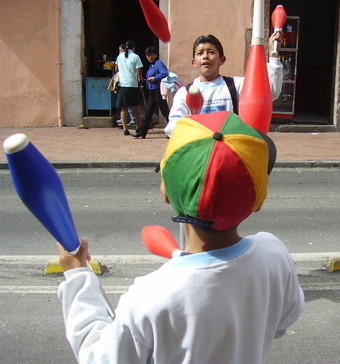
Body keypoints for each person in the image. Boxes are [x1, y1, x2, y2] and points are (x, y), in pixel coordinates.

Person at [57, 110, 304, 364]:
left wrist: (78, 276)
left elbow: (98, 357)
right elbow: (282, 322)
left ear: (165, 191)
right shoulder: (275, 255)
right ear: (258, 200)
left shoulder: (150, 297)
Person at [164, 32, 284, 137]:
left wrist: (274, 54)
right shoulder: (184, 93)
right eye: (200, 53)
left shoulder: (236, 85)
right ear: (194, 62)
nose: (205, 56)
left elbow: (269, 93)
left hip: (230, 156)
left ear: (222, 60)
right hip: (199, 158)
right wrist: (195, 129)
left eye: (211, 52)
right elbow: (172, 128)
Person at [133, 47, 170, 139]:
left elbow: (165, 73)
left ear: (156, 55)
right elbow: (150, 79)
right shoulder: (151, 66)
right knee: (147, 113)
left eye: (152, 55)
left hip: (158, 91)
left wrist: (155, 78)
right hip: (151, 93)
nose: (150, 57)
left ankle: (173, 131)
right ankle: (142, 132)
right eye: (148, 56)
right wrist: (144, 80)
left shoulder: (158, 63)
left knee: (165, 112)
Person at [115, 40, 143, 135]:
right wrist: (140, 78)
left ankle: (125, 128)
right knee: (136, 106)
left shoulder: (119, 56)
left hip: (122, 84)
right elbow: (138, 71)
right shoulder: (135, 56)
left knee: (123, 108)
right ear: (133, 47)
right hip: (133, 84)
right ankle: (138, 126)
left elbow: (116, 68)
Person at [115, 44, 137, 126]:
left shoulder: (122, 57)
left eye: (121, 50)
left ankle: (132, 120)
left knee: (126, 105)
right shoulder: (133, 57)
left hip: (125, 83)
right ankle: (130, 120)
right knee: (126, 105)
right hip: (130, 83)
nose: (120, 52)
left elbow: (116, 68)